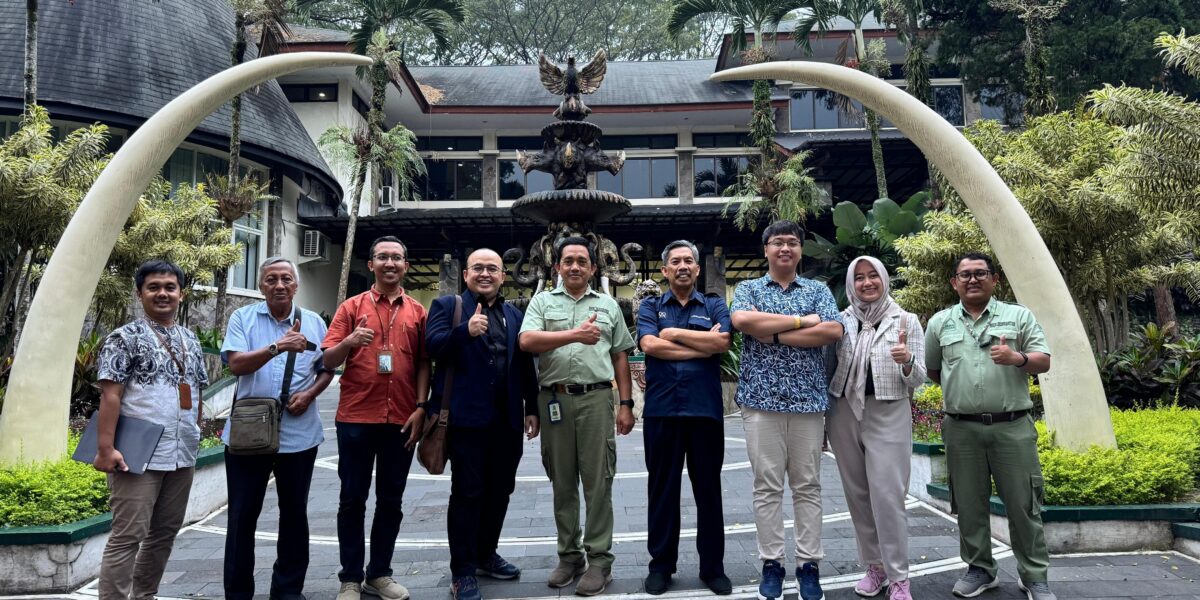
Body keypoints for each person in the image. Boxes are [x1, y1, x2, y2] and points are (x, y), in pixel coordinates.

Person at [925, 252, 1054, 600]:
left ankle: (1034, 575)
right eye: (965, 274)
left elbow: (1043, 360)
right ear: (954, 282)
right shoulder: (940, 322)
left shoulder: (1018, 316)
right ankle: (980, 569)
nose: (972, 279)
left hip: (1012, 426)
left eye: (980, 273)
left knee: (1023, 503)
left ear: (994, 280)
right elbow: (935, 370)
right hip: (961, 428)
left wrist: (1017, 358)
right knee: (969, 504)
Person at [729, 220, 843, 600]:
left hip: (808, 402)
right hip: (760, 403)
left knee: (807, 486)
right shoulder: (748, 289)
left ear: (800, 250)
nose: (785, 248)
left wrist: (773, 334)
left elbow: (832, 330)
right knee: (767, 487)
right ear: (766, 250)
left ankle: (808, 565)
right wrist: (800, 322)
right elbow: (743, 321)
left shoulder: (817, 290)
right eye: (777, 242)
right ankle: (772, 564)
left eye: (792, 242)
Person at [519, 236, 636, 597]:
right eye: (567, 261)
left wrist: (626, 404)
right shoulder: (541, 302)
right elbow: (526, 341)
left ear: (593, 268)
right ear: (557, 267)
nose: (574, 266)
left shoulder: (608, 305)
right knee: (562, 481)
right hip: (554, 400)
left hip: (596, 400)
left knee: (599, 482)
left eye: (581, 261)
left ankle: (599, 560)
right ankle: (569, 556)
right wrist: (574, 335)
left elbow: (620, 355)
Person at [426, 248, 540, 600]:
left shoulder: (513, 314)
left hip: (507, 421)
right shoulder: (448, 306)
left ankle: (485, 554)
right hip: (466, 421)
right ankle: (462, 571)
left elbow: (524, 364)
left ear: (503, 275)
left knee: (501, 490)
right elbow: (431, 347)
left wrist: (532, 407)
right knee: (467, 493)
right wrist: (465, 331)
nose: (485, 274)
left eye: (493, 268)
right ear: (466, 274)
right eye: (478, 268)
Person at [220, 257, 335, 600]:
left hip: (299, 433)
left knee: (295, 514)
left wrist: (311, 394)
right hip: (249, 433)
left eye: (286, 279)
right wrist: (277, 347)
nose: (280, 285)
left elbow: (326, 368)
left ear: (296, 285)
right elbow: (236, 364)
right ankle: (238, 593)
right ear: (261, 286)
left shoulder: (314, 322)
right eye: (271, 279)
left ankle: (287, 591)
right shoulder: (243, 318)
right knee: (242, 516)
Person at [322, 236, 430, 600]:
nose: (390, 263)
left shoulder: (417, 311)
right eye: (383, 257)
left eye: (397, 258)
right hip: (356, 417)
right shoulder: (351, 307)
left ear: (406, 266)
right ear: (371, 265)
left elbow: (424, 363)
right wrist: (350, 341)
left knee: (391, 500)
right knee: (352, 499)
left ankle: (379, 574)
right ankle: (350, 578)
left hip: (401, 418)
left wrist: (421, 406)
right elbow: (327, 360)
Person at [94, 260, 209, 600]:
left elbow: (197, 390)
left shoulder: (190, 339)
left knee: (165, 532)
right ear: (139, 293)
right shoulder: (124, 338)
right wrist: (105, 449)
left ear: (181, 294)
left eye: (170, 287)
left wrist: (196, 429)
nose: (162, 293)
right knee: (127, 536)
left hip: (182, 451)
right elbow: (110, 395)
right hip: (137, 454)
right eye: (153, 287)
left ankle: (144, 595)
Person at [636, 240, 733, 597]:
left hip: (705, 411)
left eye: (688, 261)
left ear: (697, 268)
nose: (682, 266)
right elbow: (649, 345)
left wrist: (674, 334)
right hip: (662, 411)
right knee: (662, 490)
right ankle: (661, 566)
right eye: (675, 261)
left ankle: (713, 568)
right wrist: (700, 345)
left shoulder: (714, 304)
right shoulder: (650, 306)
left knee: (708, 490)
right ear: (664, 270)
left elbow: (722, 343)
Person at [827, 257, 926, 600]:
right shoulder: (841, 321)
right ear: (851, 284)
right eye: (859, 278)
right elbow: (829, 367)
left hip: (888, 410)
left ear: (884, 279)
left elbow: (918, 378)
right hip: (843, 411)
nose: (867, 283)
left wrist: (907, 361)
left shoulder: (906, 320)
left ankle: (899, 577)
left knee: (887, 496)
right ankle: (875, 567)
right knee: (857, 495)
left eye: (873, 276)